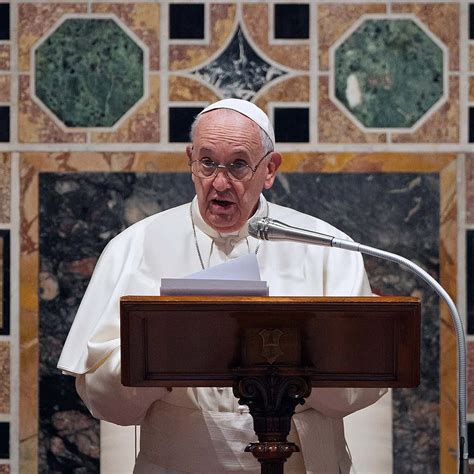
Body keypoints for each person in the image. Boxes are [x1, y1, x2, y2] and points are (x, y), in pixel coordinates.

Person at [58, 99, 386, 473]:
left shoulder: (325, 247)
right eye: (207, 162)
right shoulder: (133, 248)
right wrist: (159, 356)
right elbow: (103, 401)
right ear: (190, 160)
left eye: (238, 165)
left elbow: (362, 382)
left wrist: (295, 364)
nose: (219, 182)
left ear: (270, 169)